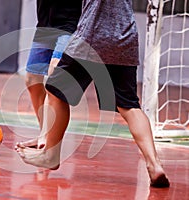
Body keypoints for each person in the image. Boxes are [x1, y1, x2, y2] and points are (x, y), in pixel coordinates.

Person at [16, 0, 170, 188]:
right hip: (125, 38)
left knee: (55, 89)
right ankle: (154, 164)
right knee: (130, 106)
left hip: (91, 39)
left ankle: (51, 154)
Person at [23, 0, 82, 147]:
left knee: (53, 76)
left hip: (69, 26)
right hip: (45, 26)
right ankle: (45, 132)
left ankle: (45, 138)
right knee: (32, 80)